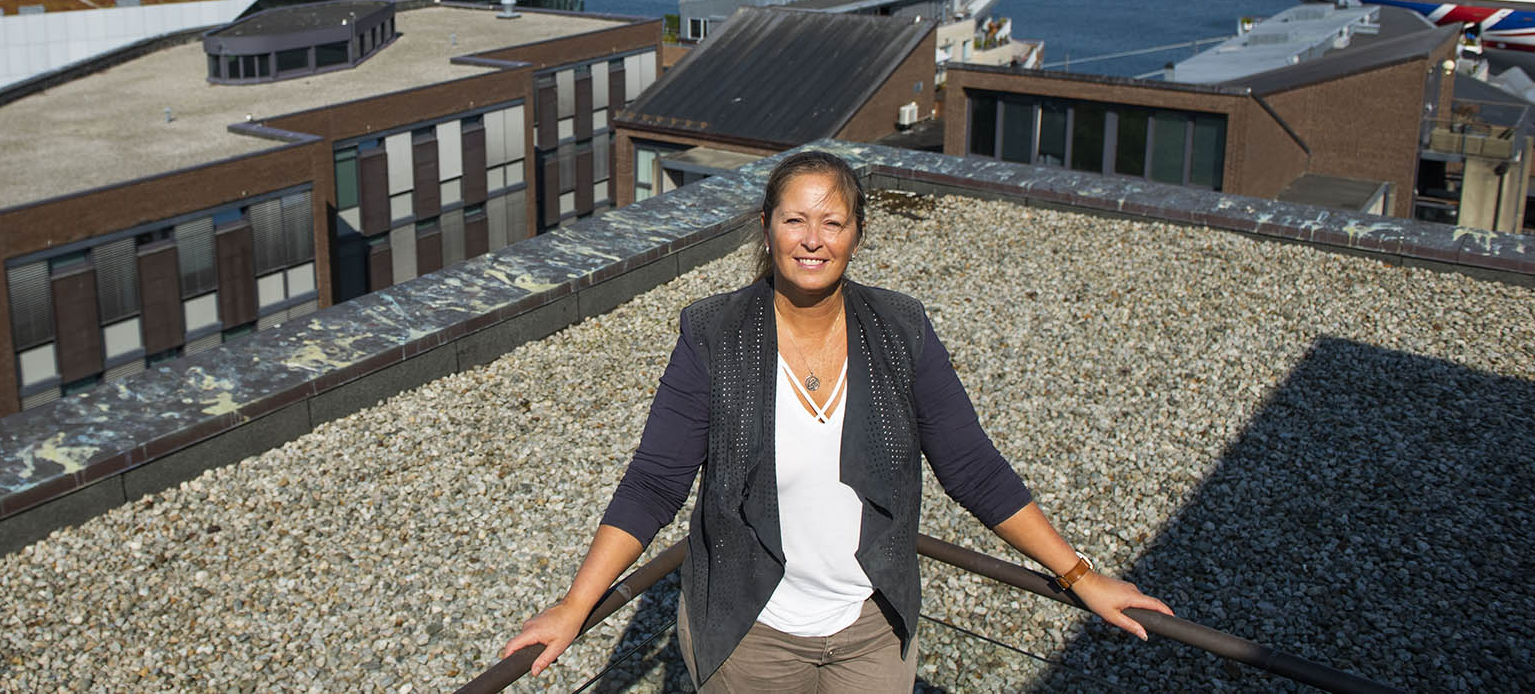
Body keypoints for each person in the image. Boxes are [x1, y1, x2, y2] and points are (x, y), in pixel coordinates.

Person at [502, 150, 1171, 691]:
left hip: (871, 632)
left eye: (832, 221)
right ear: (766, 226)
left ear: (857, 232)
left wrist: (1081, 576)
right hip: (748, 636)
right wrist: (575, 605)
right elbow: (654, 482)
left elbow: (973, 468)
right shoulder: (714, 334)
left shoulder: (900, 329)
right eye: (795, 220)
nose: (813, 240)